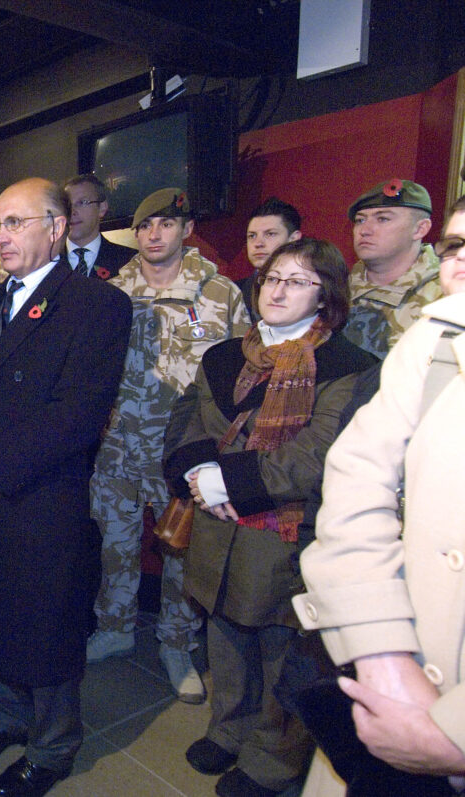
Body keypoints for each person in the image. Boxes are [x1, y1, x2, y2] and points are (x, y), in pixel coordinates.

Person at [0, 178, 132, 797]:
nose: (1, 237)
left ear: (57, 225)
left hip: (39, 491)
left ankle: (52, 747)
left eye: (15, 223)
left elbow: (79, 412)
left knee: (43, 624)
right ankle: (11, 718)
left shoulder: (96, 304)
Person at [164, 239, 375, 797]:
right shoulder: (225, 355)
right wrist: (197, 476)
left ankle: (271, 761)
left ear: (326, 296)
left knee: (284, 649)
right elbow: (191, 421)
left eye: (297, 280)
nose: (278, 290)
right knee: (226, 634)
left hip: (288, 532)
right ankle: (229, 731)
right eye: (271, 278)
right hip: (217, 524)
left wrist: (225, 481)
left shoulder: (350, 368)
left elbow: (316, 453)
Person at [293, 198, 465, 797]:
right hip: (393, 662)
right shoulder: (438, 338)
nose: (462, 263)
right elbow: (357, 476)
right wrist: (383, 657)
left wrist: (455, 734)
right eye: (456, 248)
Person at [87, 188, 251, 703]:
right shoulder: (111, 291)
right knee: (113, 542)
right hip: (117, 446)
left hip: (183, 449)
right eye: (144, 226)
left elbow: (241, 374)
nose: (153, 234)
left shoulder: (218, 294)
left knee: (184, 549)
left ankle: (176, 642)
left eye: (164, 224)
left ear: (185, 228)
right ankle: (113, 628)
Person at [341, 178, 441, 358]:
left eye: (383, 219)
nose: (365, 230)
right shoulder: (335, 286)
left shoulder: (447, 295)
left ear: (420, 229)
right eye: (360, 220)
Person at [63, 173, 137, 279]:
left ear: (102, 208)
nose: (72, 212)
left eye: (82, 202)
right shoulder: (45, 260)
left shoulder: (129, 260)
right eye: (67, 205)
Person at [240, 198, 303, 322]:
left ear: (294, 238)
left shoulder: (310, 292)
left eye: (270, 234)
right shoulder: (234, 292)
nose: (258, 243)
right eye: (252, 236)